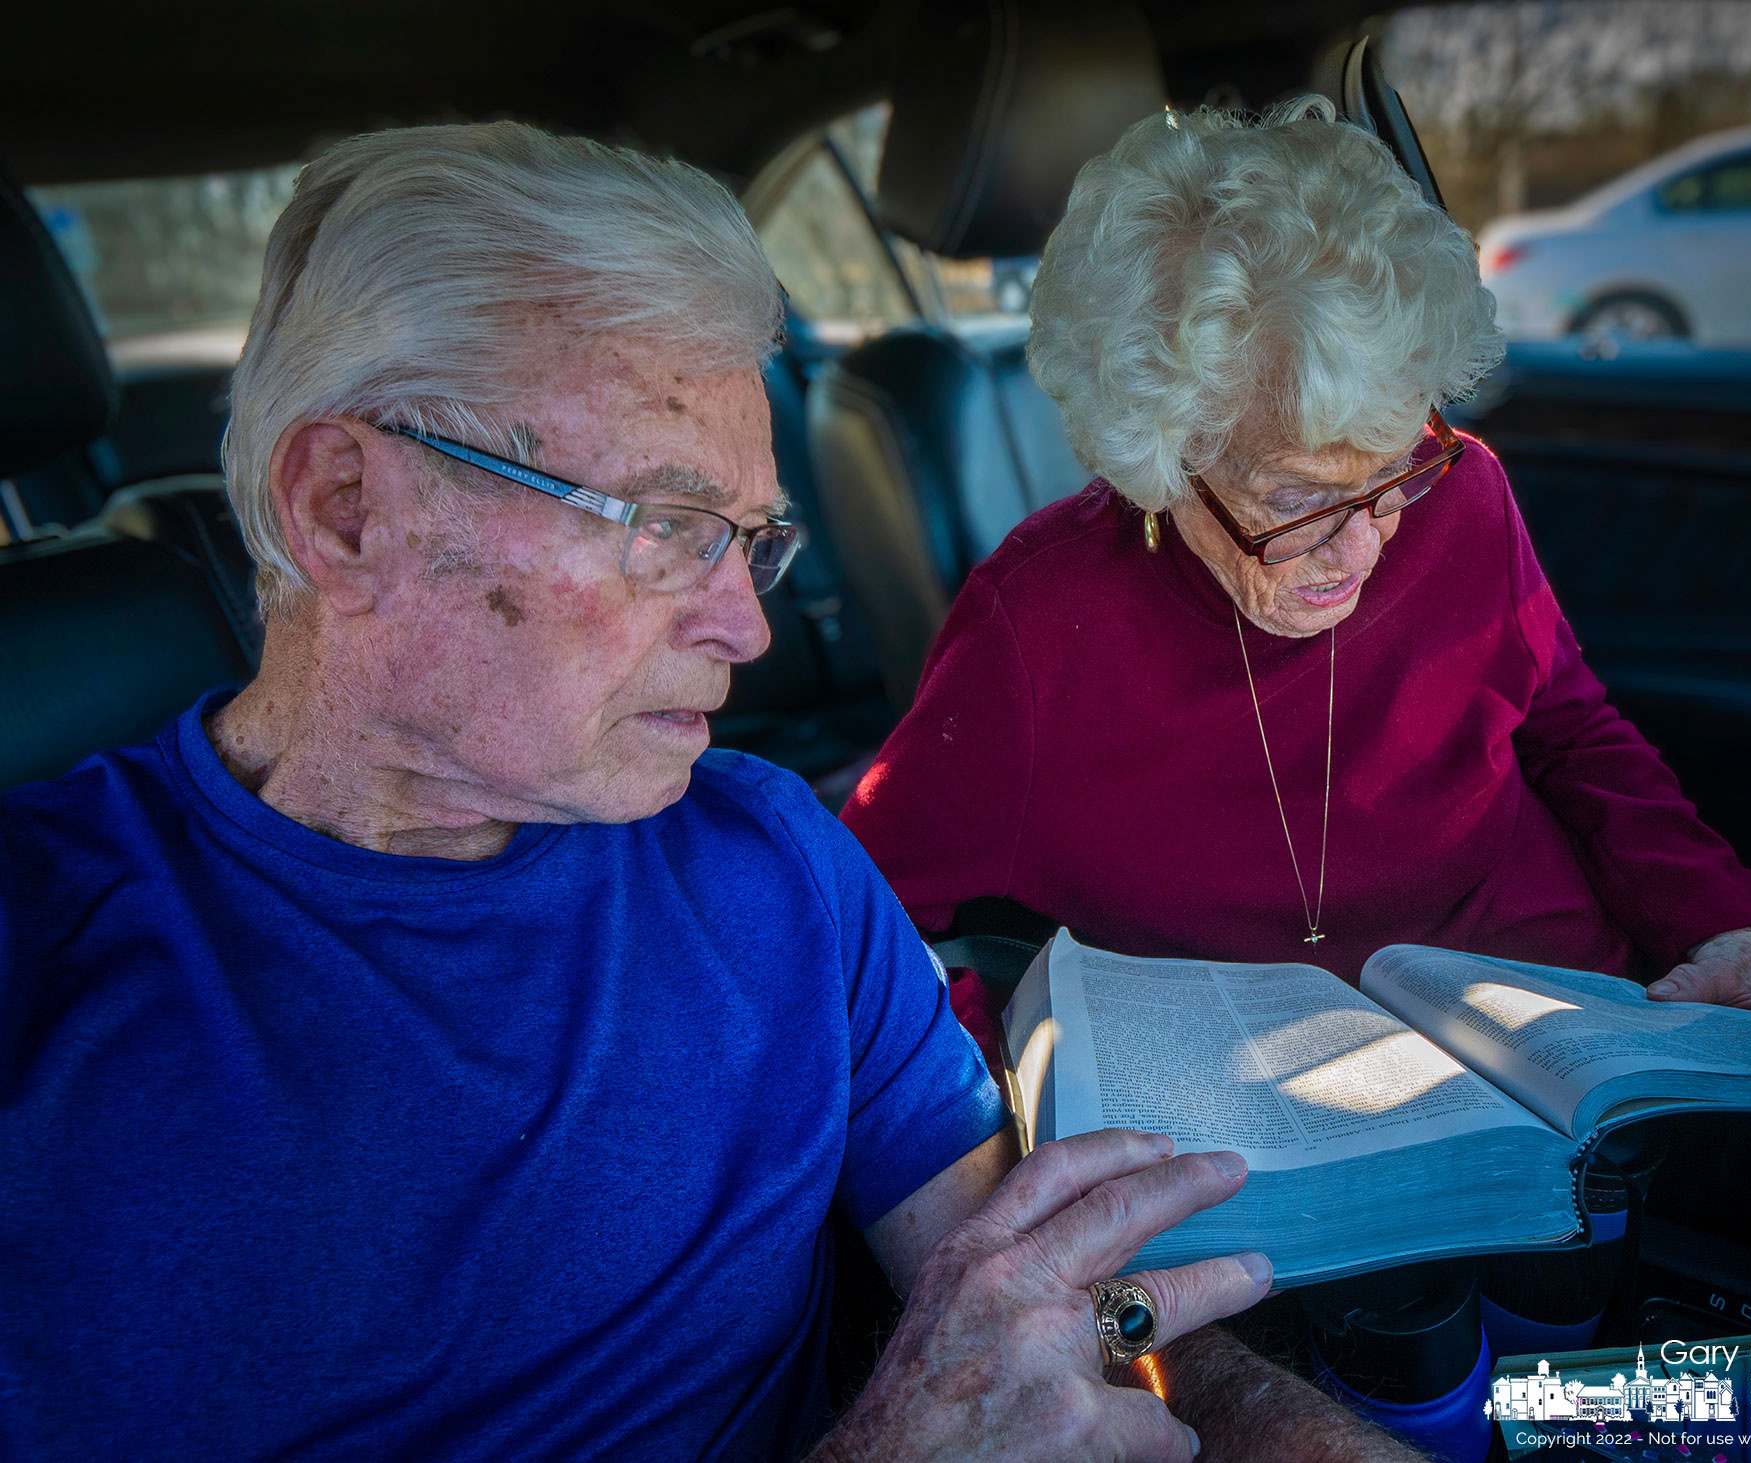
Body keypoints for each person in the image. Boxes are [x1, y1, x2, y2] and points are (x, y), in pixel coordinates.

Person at [0, 121, 1430, 1463]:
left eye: (752, 539)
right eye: (674, 526)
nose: (746, 630)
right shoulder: (43, 956)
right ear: (350, 511)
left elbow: (1069, 1313)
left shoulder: (773, 856)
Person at [841, 100, 1751, 1018]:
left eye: (1392, 472)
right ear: (1163, 457)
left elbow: (1568, 728)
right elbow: (859, 933)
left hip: (1577, 1020)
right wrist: (999, 1102)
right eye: (1298, 498)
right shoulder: (1039, 626)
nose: (1364, 546)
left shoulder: (1461, 493)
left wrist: (1713, 922)